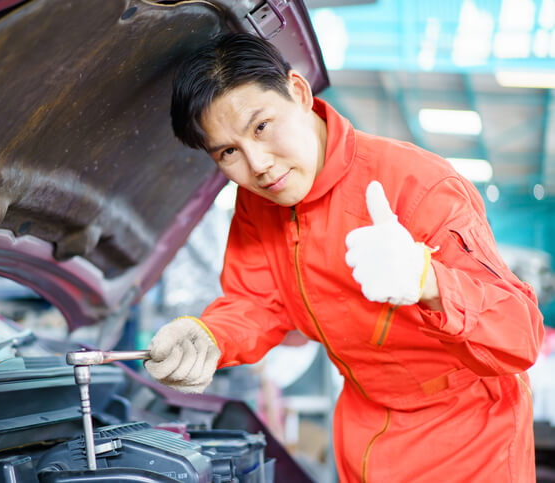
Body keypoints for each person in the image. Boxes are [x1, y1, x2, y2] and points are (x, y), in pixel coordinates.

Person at [144, 33, 544, 482]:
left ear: (297, 92)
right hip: (363, 427)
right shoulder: (260, 203)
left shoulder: (418, 185)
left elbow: (519, 333)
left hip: (467, 437)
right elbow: (257, 303)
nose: (257, 165)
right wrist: (208, 337)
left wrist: (429, 281)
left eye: (261, 127)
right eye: (228, 152)